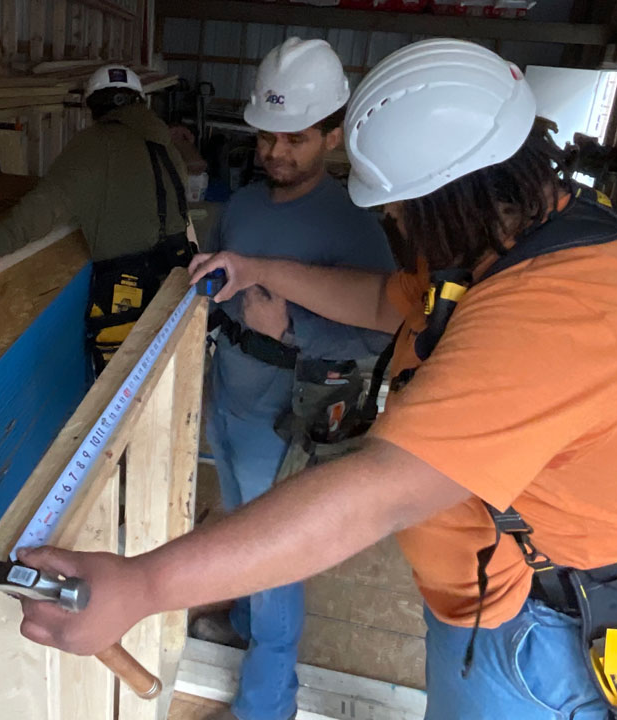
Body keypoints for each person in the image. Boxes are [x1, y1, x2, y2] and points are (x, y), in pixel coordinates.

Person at [14, 39, 617, 719]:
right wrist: (260, 269)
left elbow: (373, 497)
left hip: (545, 635)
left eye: (398, 207)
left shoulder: (551, 316)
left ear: (456, 193)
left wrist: (144, 585)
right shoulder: (521, 239)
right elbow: (380, 301)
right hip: (507, 595)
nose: (388, 218)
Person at [187, 37, 394, 720]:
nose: (276, 153)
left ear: (334, 134)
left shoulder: (355, 224)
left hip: (290, 418)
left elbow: (380, 331)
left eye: (295, 139)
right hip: (231, 395)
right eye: (266, 137)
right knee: (246, 525)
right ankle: (242, 627)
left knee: (273, 556)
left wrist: (294, 332)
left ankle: (265, 705)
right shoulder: (244, 204)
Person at [0, 65, 195, 373]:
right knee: (166, 375)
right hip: (177, 275)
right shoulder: (167, 146)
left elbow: (50, 202)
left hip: (128, 288)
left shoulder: (96, 143)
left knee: (120, 384)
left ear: (94, 106)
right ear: (140, 101)